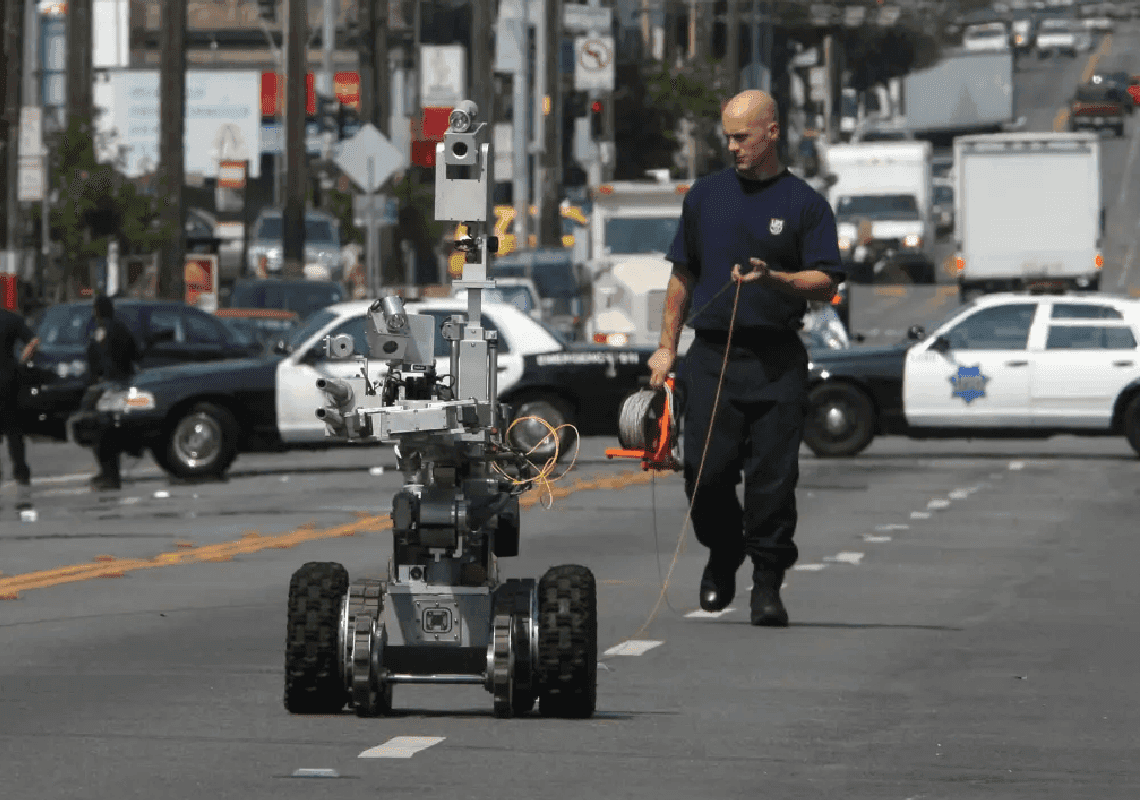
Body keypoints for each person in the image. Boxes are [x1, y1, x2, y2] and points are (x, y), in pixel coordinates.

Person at [648, 90, 844, 627]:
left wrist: (776, 277)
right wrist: (667, 345)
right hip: (712, 358)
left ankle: (766, 581)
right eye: (727, 137)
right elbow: (681, 276)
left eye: (743, 137)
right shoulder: (705, 198)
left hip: (776, 359)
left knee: (772, 481)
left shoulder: (804, 203)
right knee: (705, 475)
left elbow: (825, 282)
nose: (733, 147)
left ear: (772, 132)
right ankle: (723, 551)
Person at [85, 294, 139, 490]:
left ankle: (109, 474)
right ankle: (111, 473)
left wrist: (92, 381)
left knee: (101, 433)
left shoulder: (98, 331)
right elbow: (135, 353)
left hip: (104, 385)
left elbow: (93, 358)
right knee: (111, 431)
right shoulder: (121, 328)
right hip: (122, 382)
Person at [0, 306, 40, 507]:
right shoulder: (11, 319)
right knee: (14, 430)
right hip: (8, 379)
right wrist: (23, 360)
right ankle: (21, 472)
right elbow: (33, 341)